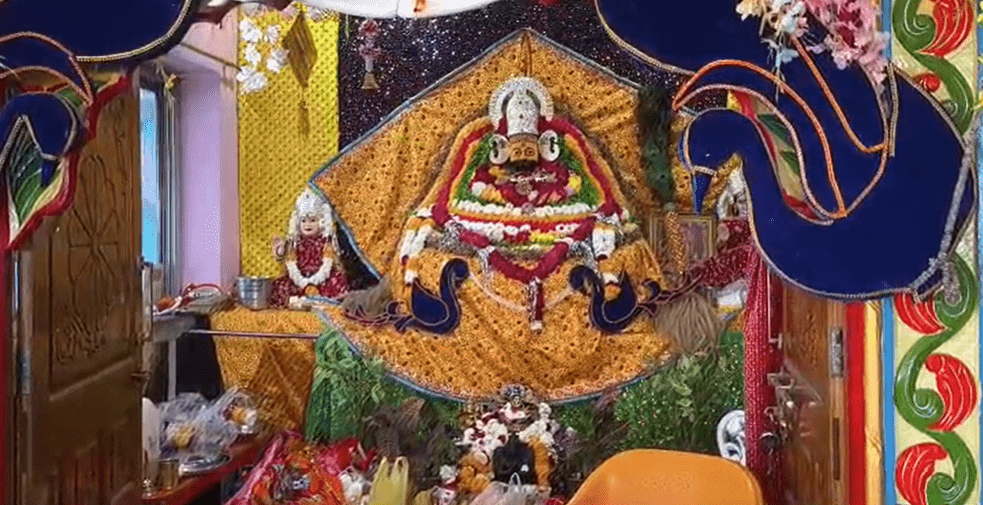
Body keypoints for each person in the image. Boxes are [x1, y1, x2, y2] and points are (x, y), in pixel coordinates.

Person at [270, 189, 349, 307]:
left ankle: (316, 299)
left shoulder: (326, 243)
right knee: (280, 285)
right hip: (298, 278)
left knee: (338, 279)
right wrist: (280, 250)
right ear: (298, 223)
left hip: (322, 279)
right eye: (303, 221)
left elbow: (327, 266)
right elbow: (287, 260)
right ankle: (299, 300)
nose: (307, 224)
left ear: (322, 222)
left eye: (312, 220)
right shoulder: (295, 243)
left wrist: (314, 281)